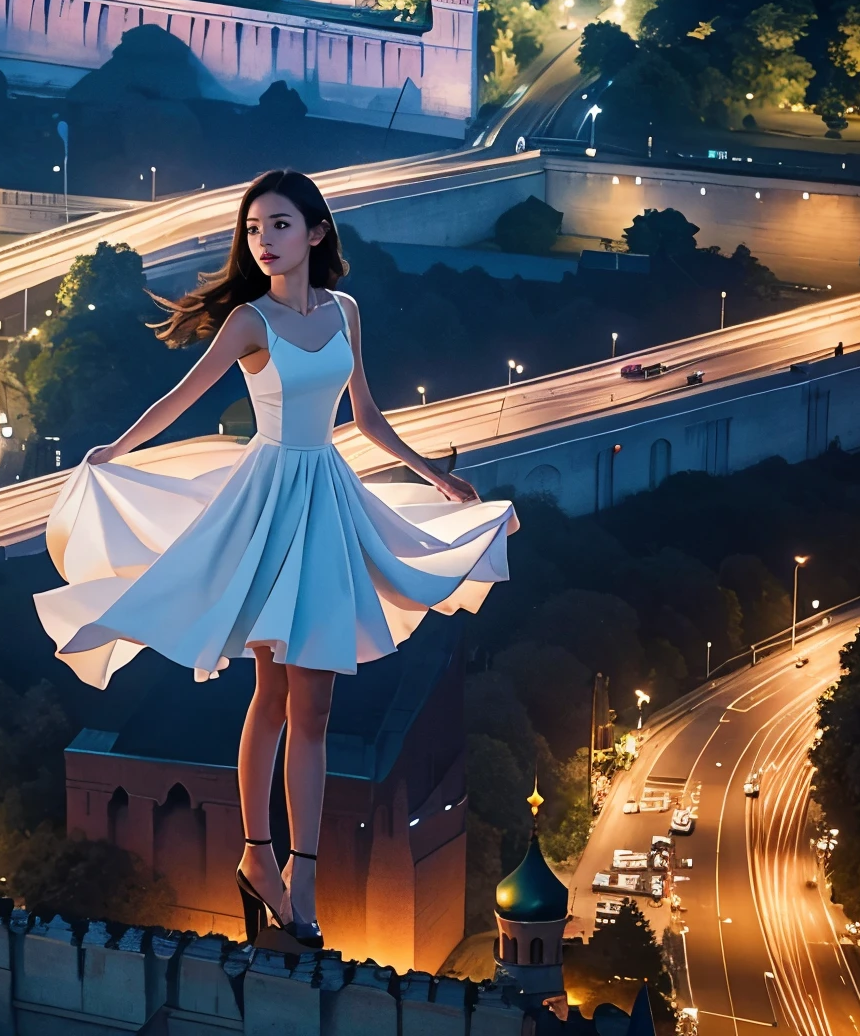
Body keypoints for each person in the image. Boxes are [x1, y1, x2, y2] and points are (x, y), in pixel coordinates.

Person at [35, 168, 515, 950]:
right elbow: (180, 398)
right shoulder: (248, 322)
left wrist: (433, 473)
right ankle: (260, 857)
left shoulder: (345, 312)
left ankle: (301, 874)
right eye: (255, 228)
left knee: (313, 707)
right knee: (270, 691)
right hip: (264, 506)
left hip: (325, 495)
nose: (264, 239)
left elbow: (366, 414)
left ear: (318, 233)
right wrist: (115, 450)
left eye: (281, 225)